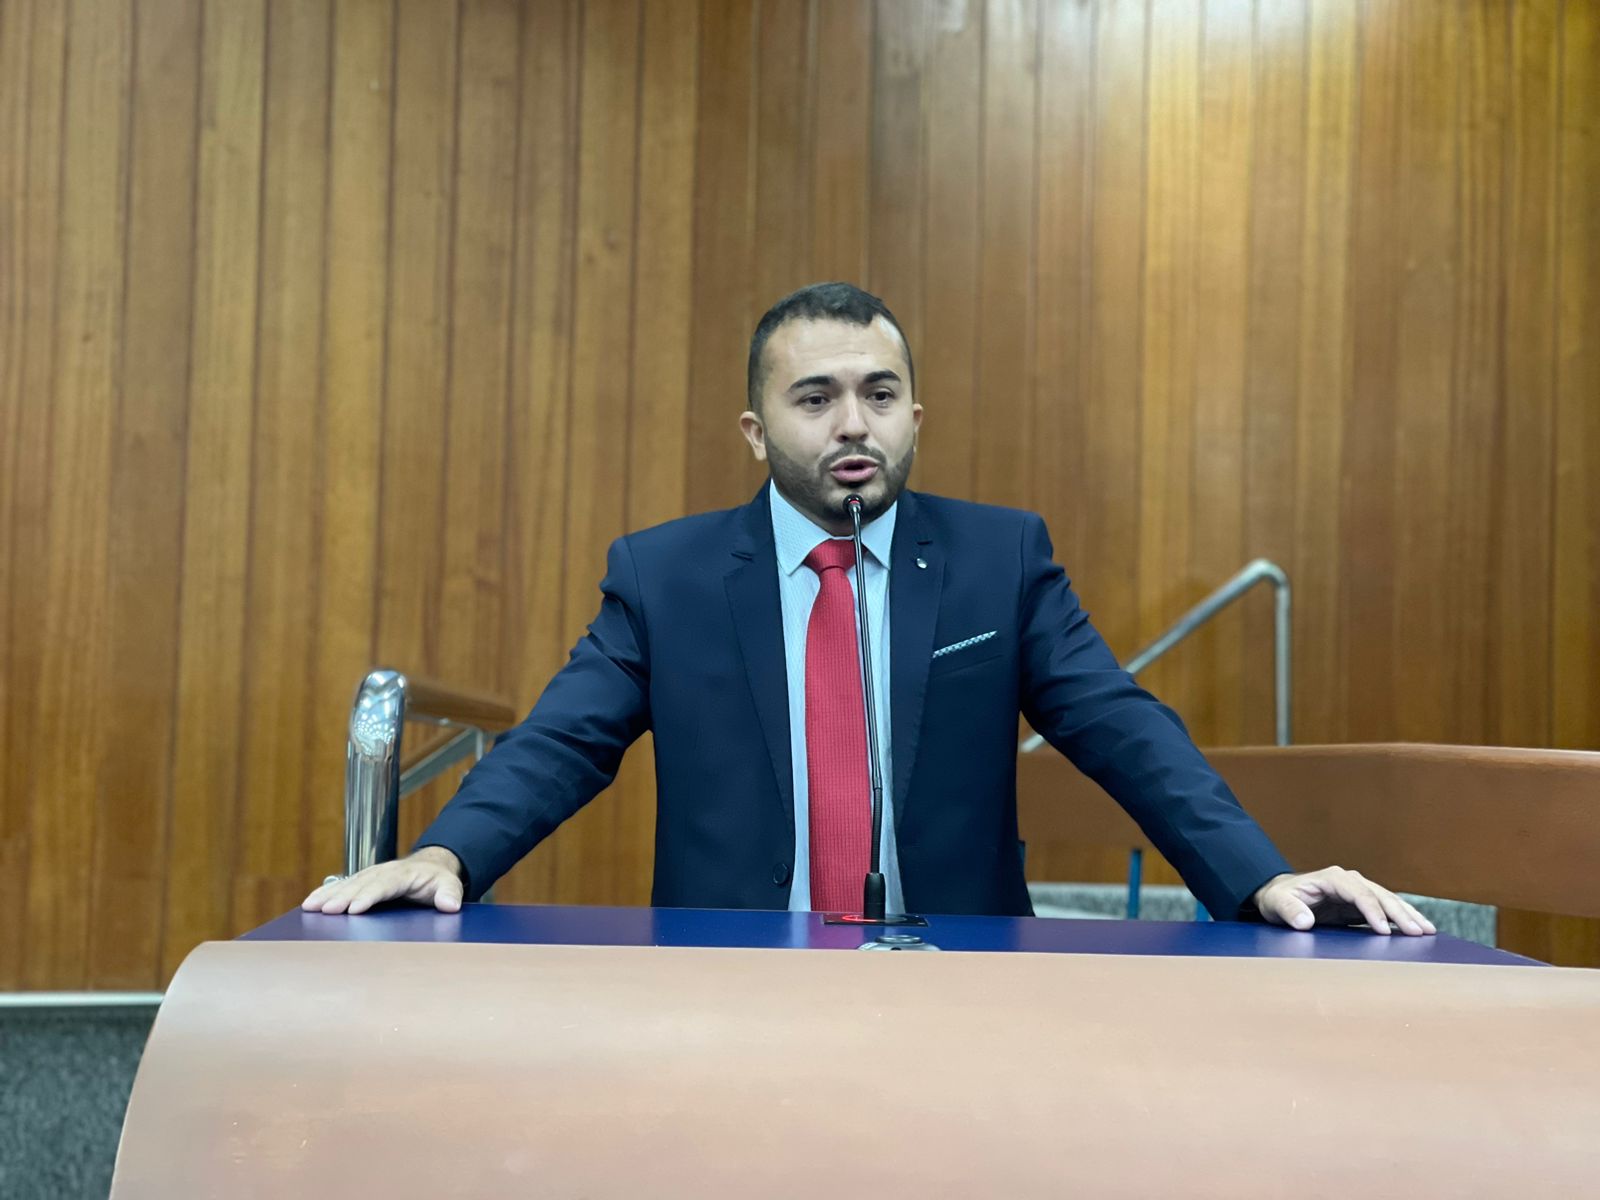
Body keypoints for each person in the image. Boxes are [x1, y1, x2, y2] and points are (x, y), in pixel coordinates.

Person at [304, 282, 1434, 938]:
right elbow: (563, 740)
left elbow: (1120, 726)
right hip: (730, 986)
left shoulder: (999, 558)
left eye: (879, 394)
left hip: (958, 982)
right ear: (757, 432)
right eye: (816, 398)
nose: (853, 423)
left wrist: (1258, 876)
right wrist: (450, 851)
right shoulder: (666, 576)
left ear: (913, 417)